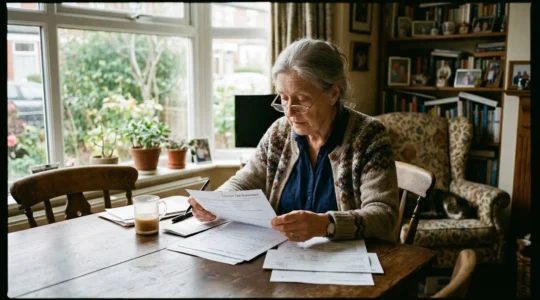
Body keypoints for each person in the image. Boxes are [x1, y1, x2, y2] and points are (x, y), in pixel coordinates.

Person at [188, 38, 399, 243]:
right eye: (284, 97)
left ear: (333, 94)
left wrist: (326, 225)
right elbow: (245, 181)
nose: (289, 112)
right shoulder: (279, 132)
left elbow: (384, 215)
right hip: (283, 257)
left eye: (302, 99)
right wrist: (216, 202)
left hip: (351, 262)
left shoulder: (369, 136)